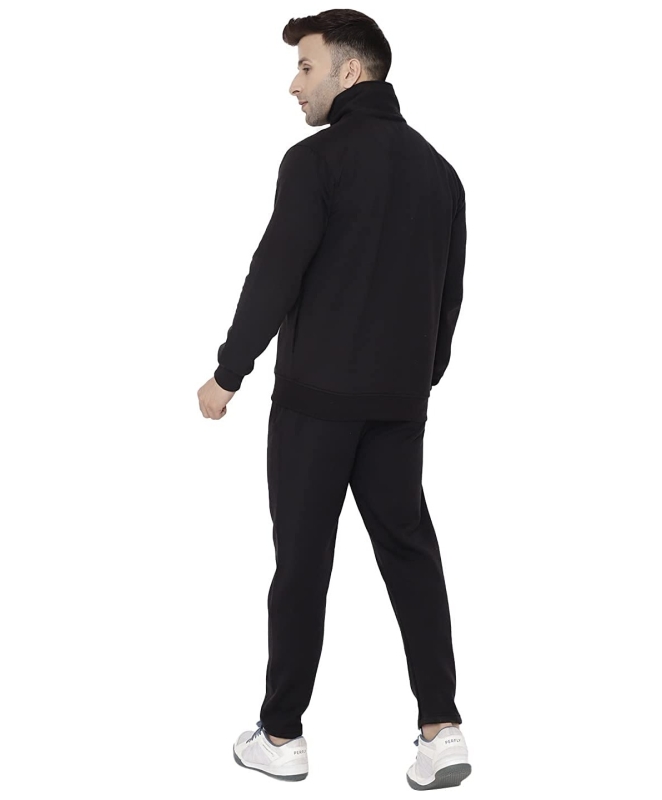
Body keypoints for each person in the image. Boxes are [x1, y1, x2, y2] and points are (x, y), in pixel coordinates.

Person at [197, 9, 470, 790]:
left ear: (351, 71)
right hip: (398, 405)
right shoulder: (440, 172)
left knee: (303, 563)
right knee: (411, 554)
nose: (294, 84)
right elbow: (449, 294)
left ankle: (281, 734)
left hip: (315, 404)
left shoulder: (314, 160)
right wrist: (416, 380)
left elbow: (275, 273)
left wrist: (228, 372)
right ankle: (442, 727)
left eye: (306, 67)